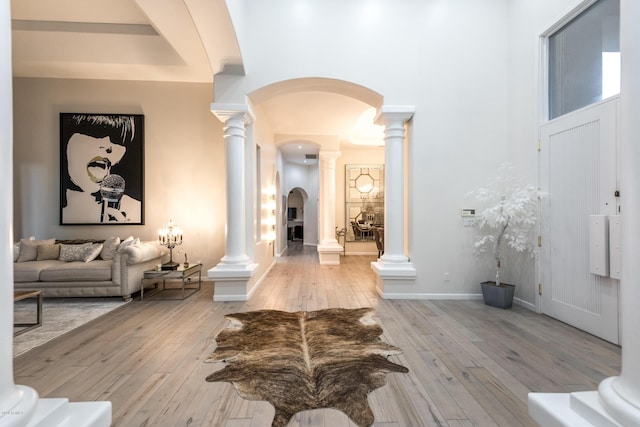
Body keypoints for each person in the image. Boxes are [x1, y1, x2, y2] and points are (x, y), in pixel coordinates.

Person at [61, 114, 142, 224]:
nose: (108, 147)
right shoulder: (43, 210)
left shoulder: (134, 211)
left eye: (117, 139)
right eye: (96, 132)